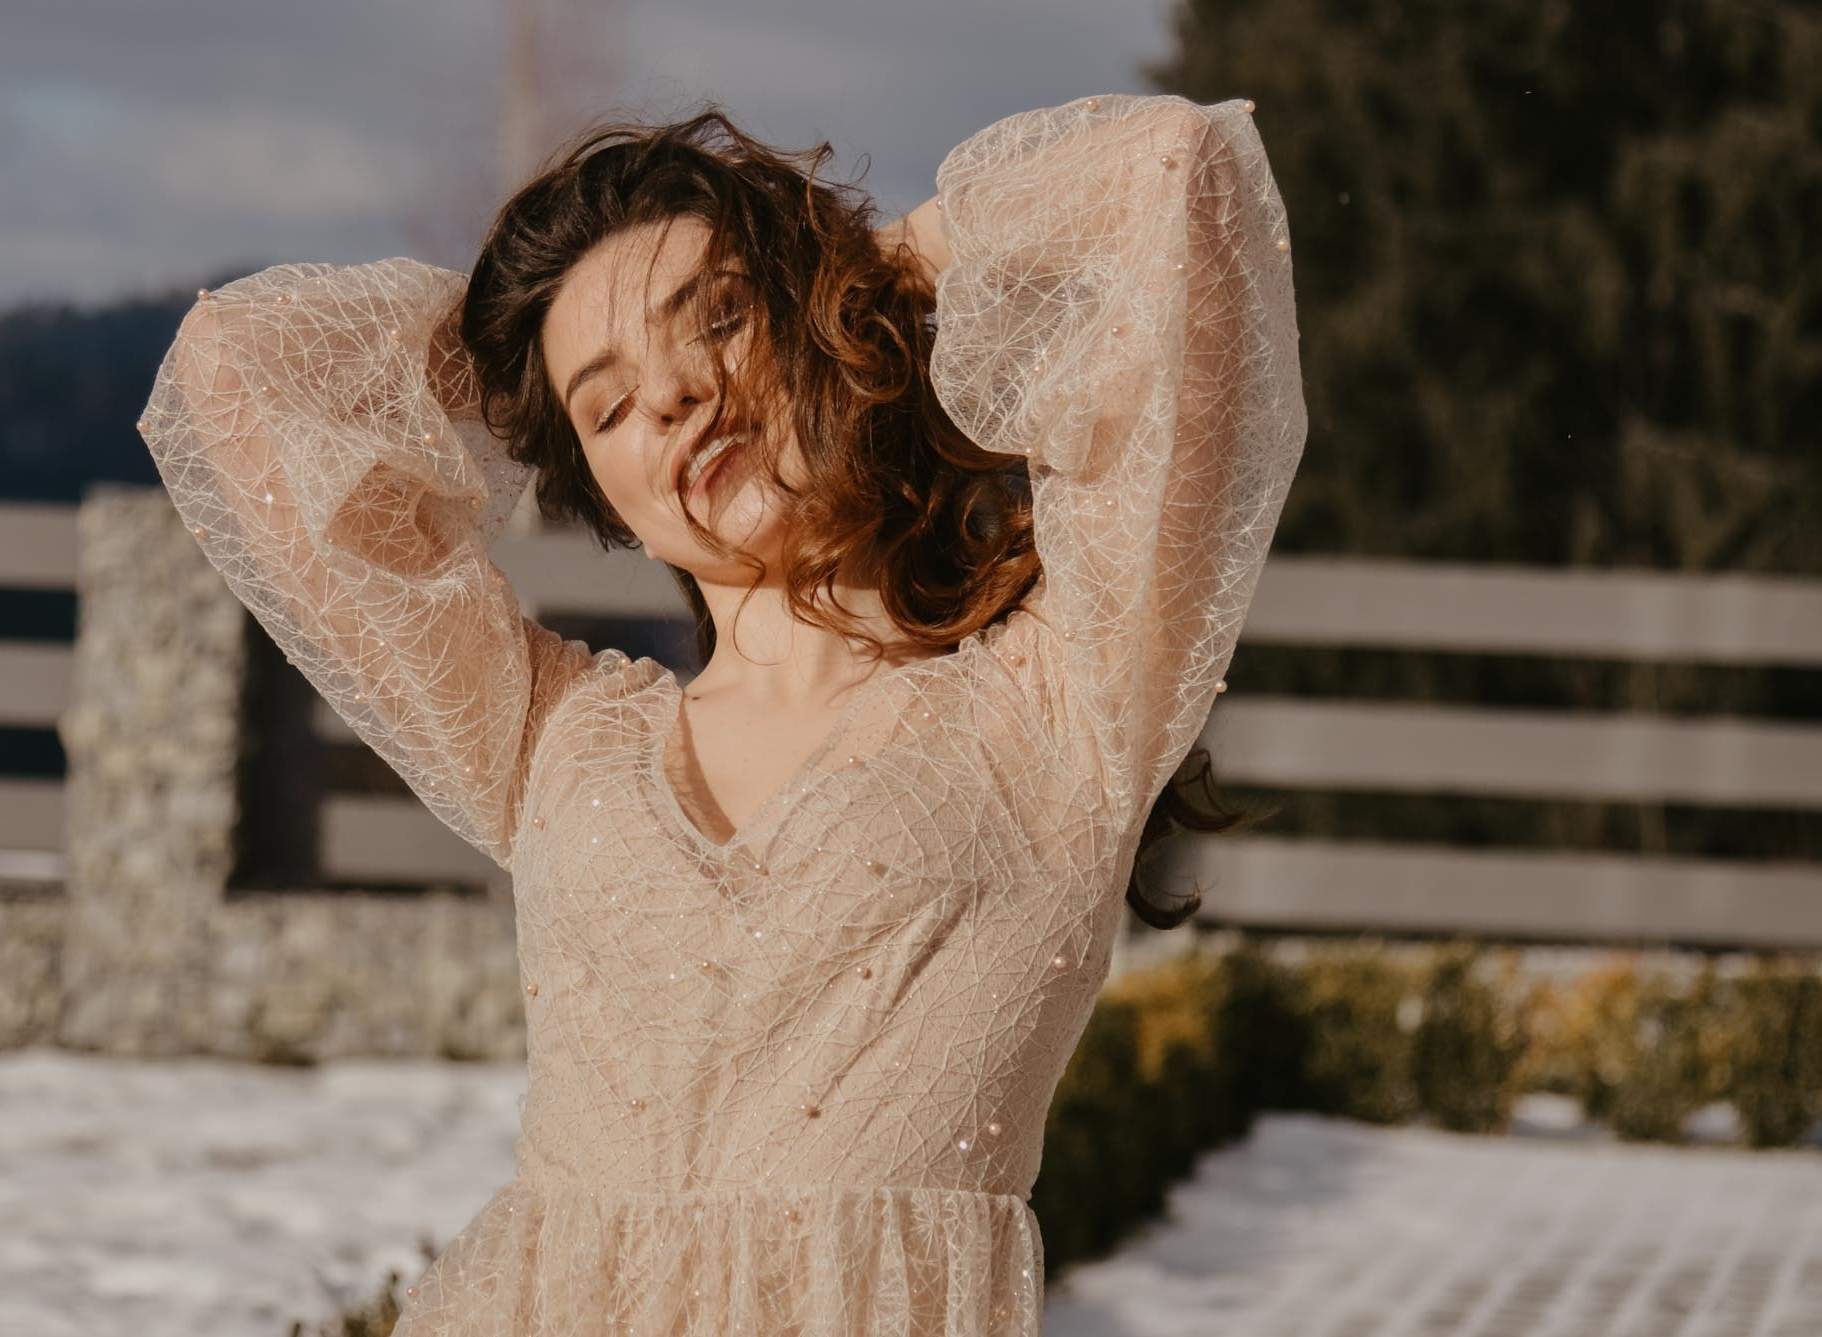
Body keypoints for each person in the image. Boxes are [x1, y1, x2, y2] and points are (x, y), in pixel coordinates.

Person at [138, 89, 1306, 1336]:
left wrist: (860, 274)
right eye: (607, 405)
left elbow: (1176, 178)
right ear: (593, 482)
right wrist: (516, 358)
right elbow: (237, 376)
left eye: (723, 319)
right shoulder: (543, 734)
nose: (679, 395)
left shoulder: (1067, 700)